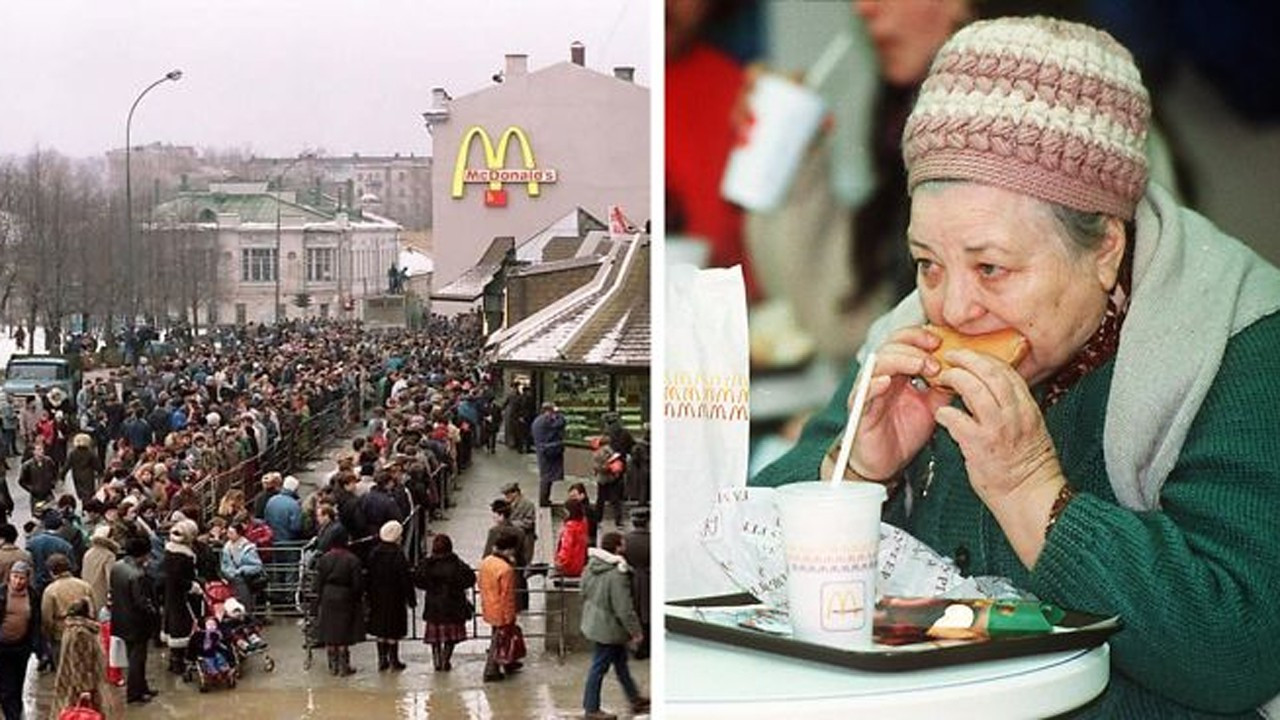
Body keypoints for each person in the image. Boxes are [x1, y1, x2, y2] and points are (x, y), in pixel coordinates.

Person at [752, 17, 1280, 718]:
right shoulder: (914, 334)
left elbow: (1238, 653)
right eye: (927, 263)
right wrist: (854, 471)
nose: (954, 306)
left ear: (1105, 251)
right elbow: (749, 554)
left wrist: (1035, 496)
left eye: (992, 267)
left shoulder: (1240, 349)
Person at [580, 531, 649, 719]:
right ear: (618, 547)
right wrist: (636, 631)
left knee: (621, 663)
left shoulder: (591, 566)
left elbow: (582, 591)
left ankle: (635, 699)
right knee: (599, 667)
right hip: (609, 628)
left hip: (595, 622)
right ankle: (591, 708)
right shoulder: (618, 573)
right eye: (623, 544)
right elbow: (624, 608)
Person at [412, 533, 475, 673]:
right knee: (450, 638)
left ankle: (437, 660)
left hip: (434, 607)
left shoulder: (427, 564)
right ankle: (446, 660)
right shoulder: (457, 563)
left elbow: (417, 579)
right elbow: (470, 578)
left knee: (435, 639)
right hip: (453, 606)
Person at [51, 598, 120, 720]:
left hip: (71, 683)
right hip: (81, 687)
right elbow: (80, 663)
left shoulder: (71, 627)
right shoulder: (81, 632)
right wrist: (84, 689)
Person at [110, 536, 160, 705]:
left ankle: (142, 687)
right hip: (137, 623)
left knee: (134, 657)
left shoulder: (117, 567)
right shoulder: (137, 575)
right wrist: (154, 612)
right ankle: (135, 693)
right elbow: (142, 603)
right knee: (137, 660)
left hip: (120, 619)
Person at [313, 526, 365, 676]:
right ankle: (344, 666)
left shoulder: (324, 559)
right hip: (345, 595)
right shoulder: (352, 559)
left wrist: (319, 597)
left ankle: (332, 666)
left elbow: (318, 582)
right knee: (343, 632)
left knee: (330, 631)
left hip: (328, 595)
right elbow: (357, 584)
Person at [365, 520, 415, 672]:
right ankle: (394, 660)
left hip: (377, 596)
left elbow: (368, 576)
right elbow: (405, 578)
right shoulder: (398, 555)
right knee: (393, 630)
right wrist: (411, 598)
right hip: (395, 597)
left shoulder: (374, 553)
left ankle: (381, 659)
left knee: (381, 630)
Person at [478, 531, 523, 682]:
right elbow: (508, 596)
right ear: (510, 549)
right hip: (501, 610)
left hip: (489, 605)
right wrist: (510, 616)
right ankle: (491, 670)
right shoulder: (506, 569)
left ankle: (506, 663)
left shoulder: (486, 562)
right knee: (499, 640)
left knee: (496, 637)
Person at [40, 552, 96, 670]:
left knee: (64, 670)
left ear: (51, 571)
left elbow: (47, 618)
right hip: (84, 631)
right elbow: (93, 610)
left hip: (61, 634)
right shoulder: (85, 586)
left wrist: (48, 636)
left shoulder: (50, 591)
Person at [0, 561, 40, 720]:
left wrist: (38, 647)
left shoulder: (33, 595)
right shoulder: (2, 594)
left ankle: (17, 713)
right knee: (7, 687)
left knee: (20, 686)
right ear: (9, 577)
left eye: (21, 578)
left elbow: (37, 621)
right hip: (2, 648)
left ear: (27, 579)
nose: (18, 581)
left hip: (23, 647)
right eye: (15, 577)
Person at [161, 519, 201, 675]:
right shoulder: (182, 556)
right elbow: (179, 578)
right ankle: (178, 664)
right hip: (182, 598)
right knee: (181, 629)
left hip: (172, 595)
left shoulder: (170, 551)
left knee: (174, 627)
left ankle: (174, 661)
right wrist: (193, 586)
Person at [623, 508, 651, 660]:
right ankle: (646, 646)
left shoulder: (626, 539)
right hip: (649, 579)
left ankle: (636, 646)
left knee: (635, 613)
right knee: (648, 613)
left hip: (632, 579)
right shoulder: (653, 539)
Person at [220, 522, 265, 615]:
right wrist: (229, 572)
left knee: (240, 583)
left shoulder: (248, 548)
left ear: (239, 534)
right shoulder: (226, 547)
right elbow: (224, 564)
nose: (229, 535)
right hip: (230, 574)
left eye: (231, 533)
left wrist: (241, 570)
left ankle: (246, 611)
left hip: (246, 575)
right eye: (228, 533)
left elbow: (256, 565)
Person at [530, 401, 566, 507]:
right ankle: (544, 500)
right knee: (547, 477)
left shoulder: (538, 420)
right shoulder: (547, 420)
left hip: (543, 451)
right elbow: (561, 423)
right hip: (548, 452)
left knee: (546, 476)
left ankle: (545, 499)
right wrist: (559, 414)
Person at [80, 524, 117, 611]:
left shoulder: (88, 553)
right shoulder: (109, 555)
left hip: (87, 591)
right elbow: (110, 579)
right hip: (101, 592)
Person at [554, 498, 589, 579]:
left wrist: (559, 562)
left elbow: (566, 547)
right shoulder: (583, 523)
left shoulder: (570, 527)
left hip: (568, 566)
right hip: (579, 563)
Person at [66, 433, 104, 505]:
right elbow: (97, 465)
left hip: (77, 475)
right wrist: (100, 473)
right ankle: (87, 507)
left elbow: (67, 465)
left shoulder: (73, 453)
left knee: (81, 493)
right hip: (88, 476)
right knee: (88, 493)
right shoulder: (90, 453)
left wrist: (62, 475)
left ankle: (84, 505)